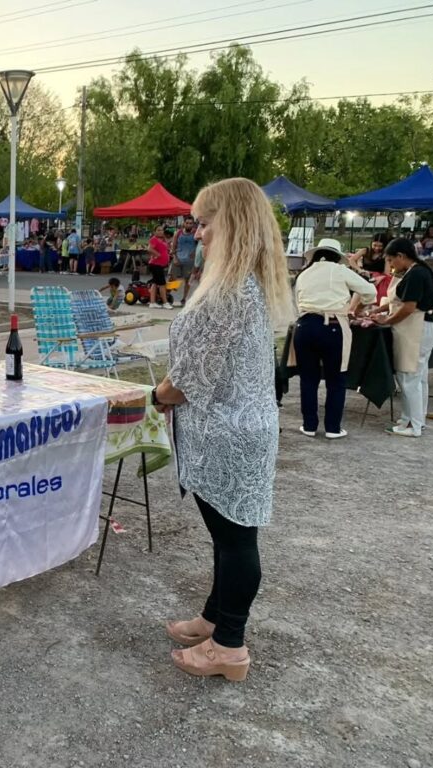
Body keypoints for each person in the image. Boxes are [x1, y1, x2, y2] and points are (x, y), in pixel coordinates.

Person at [152, 178, 292, 682]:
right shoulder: (240, 287)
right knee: (227, 537)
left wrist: (154, 398)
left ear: (230, 224)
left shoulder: (230, 291)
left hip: (228, 436)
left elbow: (190, 379)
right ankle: (215, 618)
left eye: (206, 223)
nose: (199, 233)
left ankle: (229, 645)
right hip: (235, 431)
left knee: (235, 541)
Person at [292, 238, 376, 439]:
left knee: (308, 379)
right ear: (337, 257)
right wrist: (358, 307)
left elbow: (297, 302)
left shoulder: (304, 274)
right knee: (336, 380)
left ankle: (309, 425)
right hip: (333, 327)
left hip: (304, 326)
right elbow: (370, 291)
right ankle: (332, 427)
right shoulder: (340, 270)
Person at [366, 238, 433, 437]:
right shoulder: (418, 270)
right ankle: (413, 418)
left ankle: (414, 426)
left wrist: (387, 320)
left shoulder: (416, 274)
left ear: (401, 256)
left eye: (391, 260)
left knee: (409, 377)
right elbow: (398, 301)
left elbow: (408, 307)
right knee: (418, 377)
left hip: (417, 328)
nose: (390, 265)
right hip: (423, 326)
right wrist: (381, 310)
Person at [170, 218, 197, 305]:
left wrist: (195, 252)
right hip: (178, 259)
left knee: (187, 280)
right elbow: (173, 246)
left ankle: (184, 298)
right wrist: (174, 257)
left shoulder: (196, 233)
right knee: (172, 277)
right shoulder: (178, 233)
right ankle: (167, 295)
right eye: (187, 223)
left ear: (193, 224)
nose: (189, 225)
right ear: (184, 223)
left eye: (191, 223)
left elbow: (201, 244)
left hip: (189, 261)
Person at [146, 224, 172, 308]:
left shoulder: (162, 240)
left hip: (160, 265)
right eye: (158, 230)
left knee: (155, 283)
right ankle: (165, 303)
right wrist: (158, 254)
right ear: (154, 232)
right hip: (155, 264)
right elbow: (149, 248)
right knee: (162, 284)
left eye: (161, 230)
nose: (161, 232)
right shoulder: (154, 239)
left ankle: (152, 302)